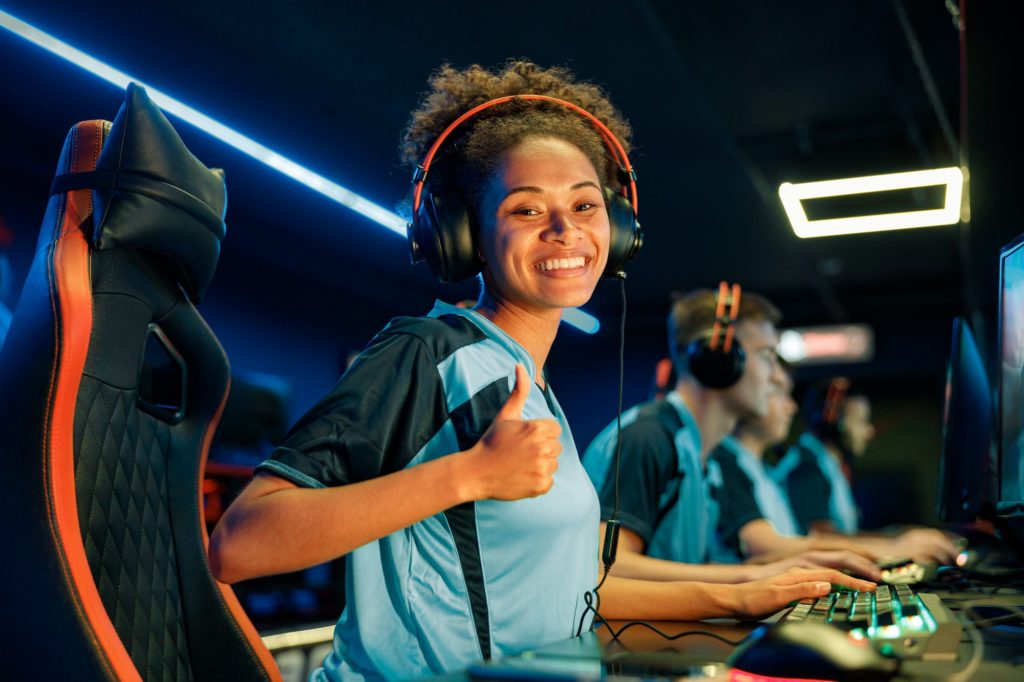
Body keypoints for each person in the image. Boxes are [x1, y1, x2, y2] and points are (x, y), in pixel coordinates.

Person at [209, 61, 873, 681]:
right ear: (464, 234)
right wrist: (466, 475)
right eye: (526, 209)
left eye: (585, 205)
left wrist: (755, 593)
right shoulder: (429, 353)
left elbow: (573, 592)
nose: (564, 229)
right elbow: (240, 545)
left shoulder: (530, 387)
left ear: (616, 226)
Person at [584, 288, 881, 582]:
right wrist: (748, 578)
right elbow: (607, 566)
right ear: (719, 360)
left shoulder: (704, 456)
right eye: (767, 356)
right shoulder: (650, 437)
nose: (777, 376)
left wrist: (777, 569)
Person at [714, 370, 957, 565]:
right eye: (860, 421)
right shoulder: (805, 467)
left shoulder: (766, 467)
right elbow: (813, 537)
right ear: (831, 420)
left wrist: (896, 537)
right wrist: (891, 547)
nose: (791, 407)